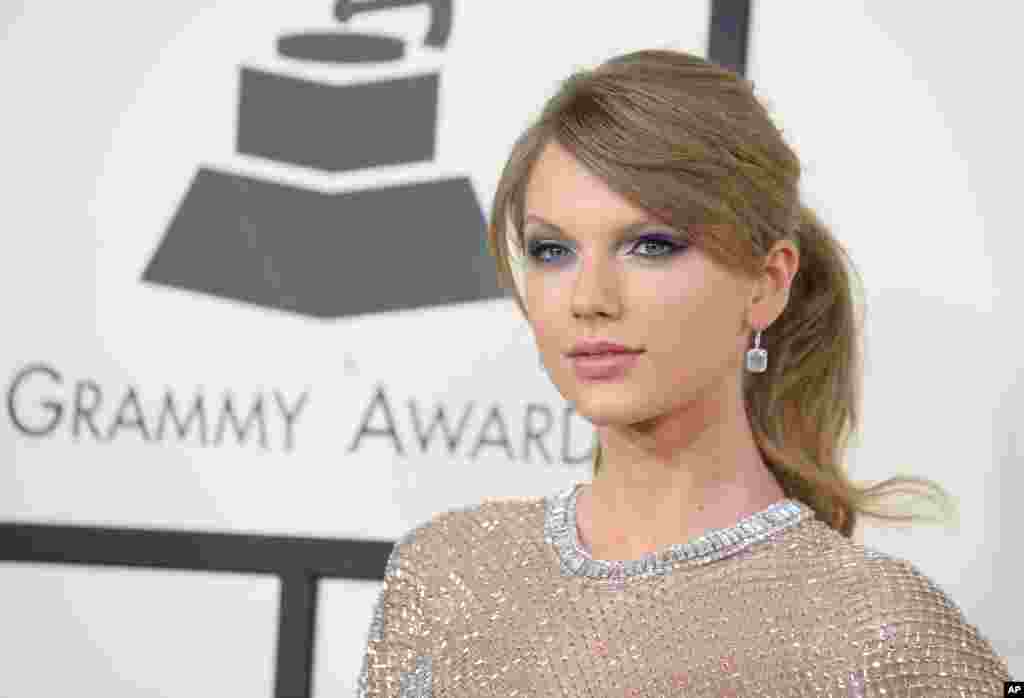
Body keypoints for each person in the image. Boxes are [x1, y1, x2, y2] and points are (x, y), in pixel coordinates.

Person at [355, 49, 1012, 697]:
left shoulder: (882, 635)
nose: (591, 297)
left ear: (767, 284)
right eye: (553, 251)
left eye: (651, 245)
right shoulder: (451, 573)